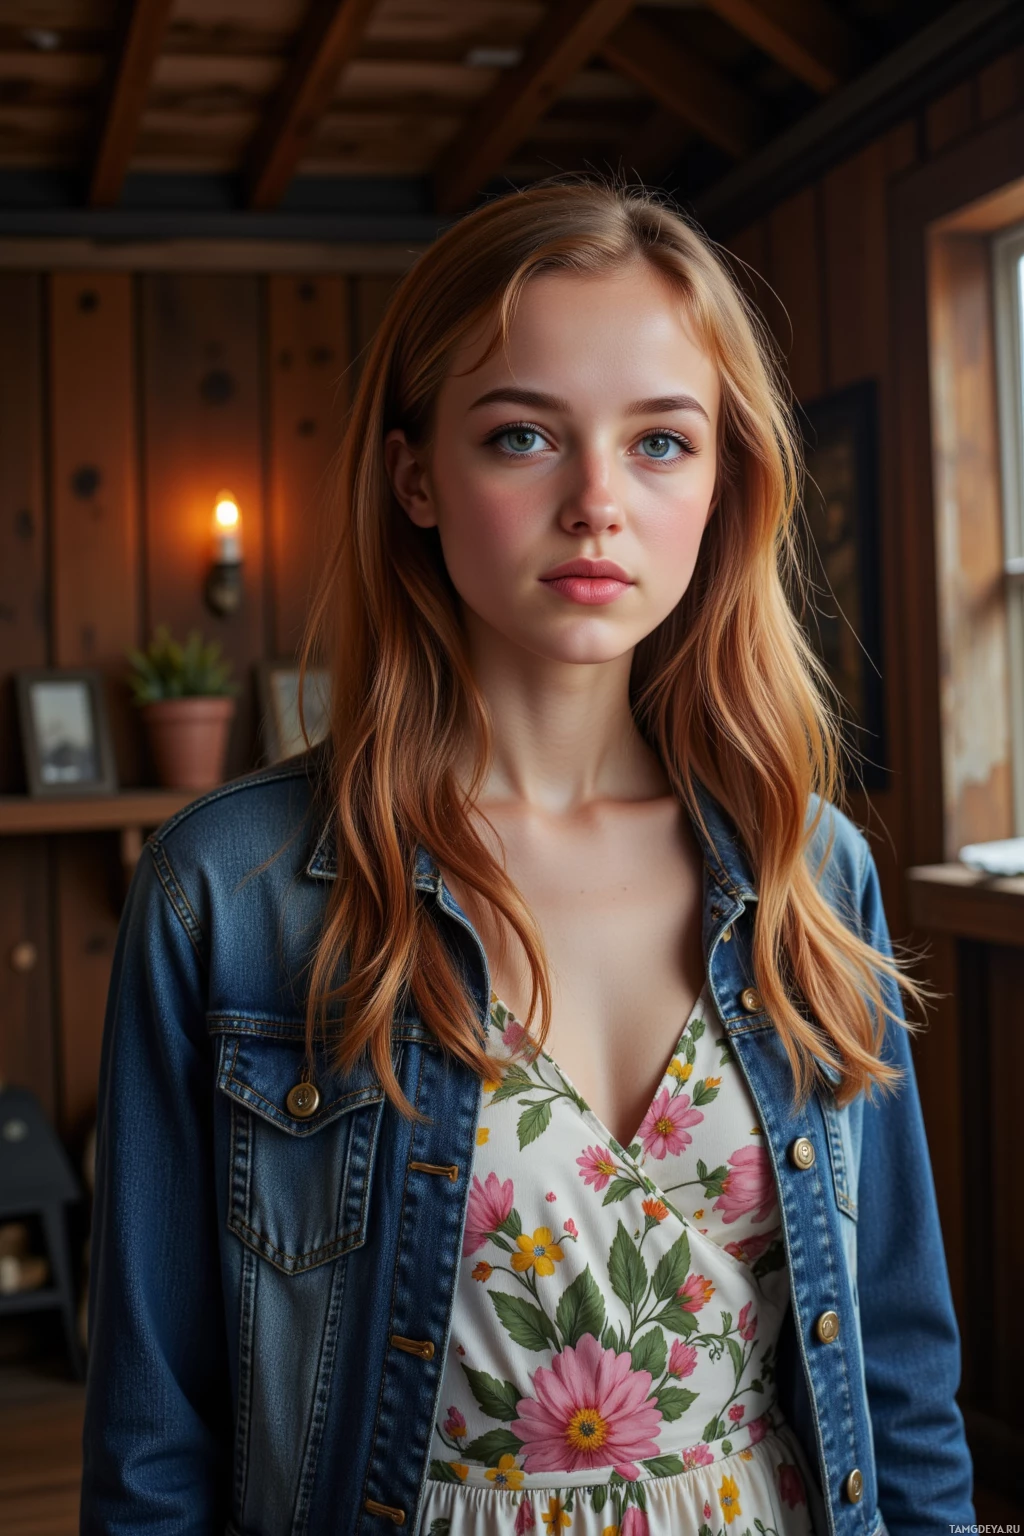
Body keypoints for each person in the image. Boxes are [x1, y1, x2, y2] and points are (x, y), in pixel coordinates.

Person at [80, 178, 974, 1536]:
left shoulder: (809, 864)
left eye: (663, 442)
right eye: (523, 437)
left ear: (726, 477)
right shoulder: (233, 893)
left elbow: (899, 1366)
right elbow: (157, 1444)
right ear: (416, 476)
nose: (598, 502)